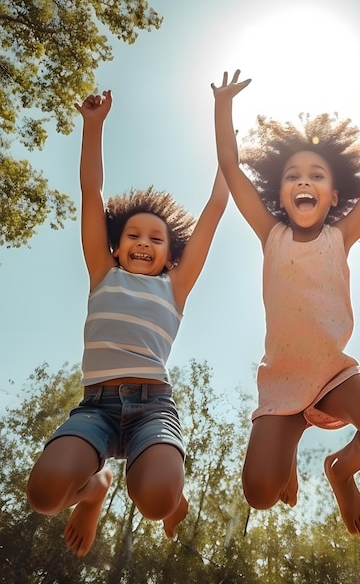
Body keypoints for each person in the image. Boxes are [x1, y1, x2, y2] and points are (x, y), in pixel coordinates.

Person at [26, 90, 229, 557]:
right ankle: (94, 489)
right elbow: (91, 190)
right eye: (132, 235)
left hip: (152, 408)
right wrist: (93, 126)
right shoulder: (102, 271)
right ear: (115, 245)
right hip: (94, 410)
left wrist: (225, 135)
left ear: (169, 253)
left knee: (156, 500)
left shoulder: (175, 287)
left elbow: (216, 206)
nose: (143, 242)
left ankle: (165, 495)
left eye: (155, 238)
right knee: (44, 496)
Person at [211, 70, 360, 535]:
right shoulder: (270, 234)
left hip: (333, 376)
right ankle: (291, 439)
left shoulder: (341, 236)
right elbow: (230, 166)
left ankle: (341, 469)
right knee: (260, 493)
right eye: (293, 176)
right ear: (279, 194)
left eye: (316, 175)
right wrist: (222, 106)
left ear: (333, 195)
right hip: (283, 384)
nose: (305, 181)